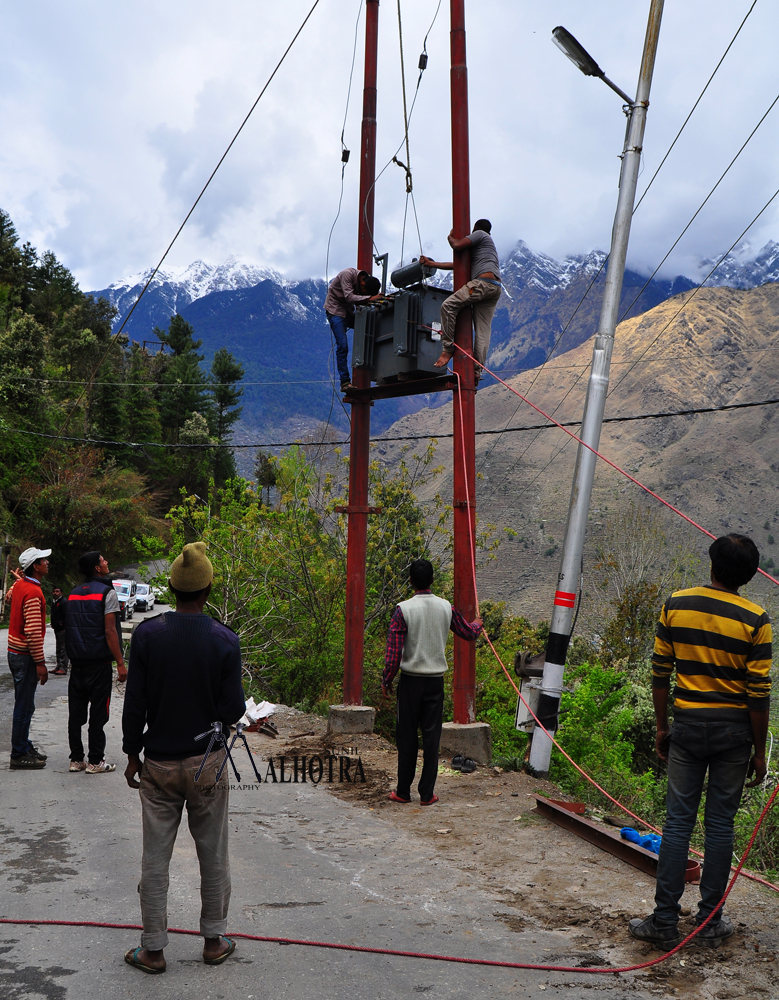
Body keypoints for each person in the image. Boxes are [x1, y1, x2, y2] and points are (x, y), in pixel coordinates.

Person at [629, 534, 772, 946]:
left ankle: (664, 922)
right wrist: (759, 752)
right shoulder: (757, 620)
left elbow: (660, 672)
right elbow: (758, 692)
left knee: (677, 824)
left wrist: (661, 727)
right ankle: (710, 923)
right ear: (747, 576)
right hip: (734, 734)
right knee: (720, 826)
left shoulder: (676, 604)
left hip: (687, 727)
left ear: (711, 564)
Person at [122, 541, 245, 975]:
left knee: (155, 857)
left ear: (171, 587)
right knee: (213, 852)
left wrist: (131, 754)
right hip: (206, 763)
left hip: (157, 762)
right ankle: (214, 941)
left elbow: (134, 702)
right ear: (208, 587)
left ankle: (153, 950)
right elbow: (233, 711)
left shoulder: (148, 636)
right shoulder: (224, 641)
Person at [381, 558, 482, 805]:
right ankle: (427, 794)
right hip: (435, 683)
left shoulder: (403, 610)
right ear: (433, 581)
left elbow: (394, 653)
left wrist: (386, 680)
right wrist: (478, 625)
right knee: (431, 738)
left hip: (410, 682)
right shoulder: (446, 607)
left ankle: (403, 791)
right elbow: (468, 632)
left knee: (407, 737)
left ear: (411, 581)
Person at [65, 551, 127, 774]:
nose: (107, 561)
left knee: (76, 714)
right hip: (99, 664)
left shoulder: (72, 595)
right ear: (97, 568)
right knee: (98, 715)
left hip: (78, 664)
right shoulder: (107, 593)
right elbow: (110, 631)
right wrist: (120, 662)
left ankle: (76, 759)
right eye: (103, 560)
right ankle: (95, 761)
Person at [421, 219, 501, 381]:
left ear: (475, 229)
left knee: (448, 306)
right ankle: (477, 370)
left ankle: (448, 348)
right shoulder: (485, 250)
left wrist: (450, 237)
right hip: (495, 287)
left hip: (482, 284)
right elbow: (457, 264)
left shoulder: (480, 234)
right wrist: (432, 263)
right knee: (483, 331)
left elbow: (457, 245)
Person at [7, 547, 51, 770]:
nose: (47, 563)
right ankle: (19, 753)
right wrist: (41, 663)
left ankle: (24, 745)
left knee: (25, 704)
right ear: (35, 566)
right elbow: (33, 632)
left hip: (14, 652)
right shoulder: (33, 593)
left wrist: (18, 580)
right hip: (25, 656)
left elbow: (8, 597)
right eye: (44, 560)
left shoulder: (21, 586)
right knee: (24, 706)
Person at [324, 267, 382, 391]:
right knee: (342, 346)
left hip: (347, 311)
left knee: (370, 326)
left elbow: (358, 300)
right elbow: (349, 297)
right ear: (363, 284)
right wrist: (370, 299)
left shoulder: (366, 280)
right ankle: (345, 382)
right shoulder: (347, 275)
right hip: (335, 311)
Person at [49, 586, 69, 676]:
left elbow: (67, 615)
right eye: (54, 591)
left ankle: (63, 667)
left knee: (63, 648)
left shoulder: (64, 602)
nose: (55, 593)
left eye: (57, 591)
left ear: (61, 592)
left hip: (63, 629)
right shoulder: (55, 602)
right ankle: (58, 666)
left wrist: (64, 626)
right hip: (57, 628)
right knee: (58, 647)